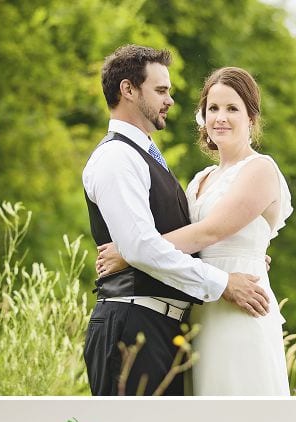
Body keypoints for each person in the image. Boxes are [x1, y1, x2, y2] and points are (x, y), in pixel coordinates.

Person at [82, 45, 269, 396]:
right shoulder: (116, 158)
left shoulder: (145, 155)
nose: (170, 100)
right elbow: (141, 247)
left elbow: (167, 238)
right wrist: (223, 281)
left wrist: (239, 255)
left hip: (163, 328)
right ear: (128, 90)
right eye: (161, 90)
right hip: (131, 326)